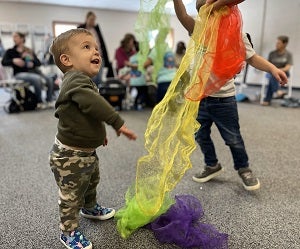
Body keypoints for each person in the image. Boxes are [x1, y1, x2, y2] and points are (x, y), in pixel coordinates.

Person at [173, 0, 288, 190]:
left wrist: (273, 69)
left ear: (225, 11)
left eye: (213, 11)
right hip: (200, 99)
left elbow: (252, 58)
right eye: (205, 13)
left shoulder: (237, 35)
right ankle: (212, 165)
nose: (210, 16)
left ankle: (244, 169)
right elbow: (182, 16)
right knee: (201, 135)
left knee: (233, 138)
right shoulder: (199, 30)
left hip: (224, 100)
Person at [49, 28, 137, 249]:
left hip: (86, 151)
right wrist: (117, 122)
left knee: (90, 182)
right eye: (86, 47)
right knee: (71, 196)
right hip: (70, 157)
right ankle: (68, 231)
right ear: (66, 60)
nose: (95, 51)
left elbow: (87, 114)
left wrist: (98, 136)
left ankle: (90, 207)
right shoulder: (75, 80)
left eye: (96, 47)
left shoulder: (82, 81)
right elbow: (93, 104)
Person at [1, 32, 54, 106]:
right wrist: (13, 60)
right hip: (19, 73)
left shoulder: (29, 50)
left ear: (22, 38)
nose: (14, 38)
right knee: (37, 79)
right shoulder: (10, 51)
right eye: (13, 37)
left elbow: (38, 63)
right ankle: (39, 102)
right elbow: (4, 62)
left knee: (49, 79)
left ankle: (49, 100)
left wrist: (33, 60)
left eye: (16, 36)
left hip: (34, 71)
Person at [78, 11, 114, 85]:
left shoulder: (96, 29)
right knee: (91, 78)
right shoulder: (81, 30)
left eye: (94, 20)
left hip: (99, 56)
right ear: (86, 19)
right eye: (91, 19)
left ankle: (97, 95)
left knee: (99, 79)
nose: (93, 21)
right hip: (88, 58)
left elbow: (102, 43)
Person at [262, 36, 293, 106]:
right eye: (276, 43)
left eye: (279, 43)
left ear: (285, 44)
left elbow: (287, 67)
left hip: (284, 72)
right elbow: (267, 65)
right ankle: (278, 91)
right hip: (271, 72)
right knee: (273, 74)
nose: (276, 44)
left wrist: (277, 70)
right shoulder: (272, 53)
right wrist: (273, 70)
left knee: (274, 74)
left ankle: (267, 99)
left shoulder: (288, 54)